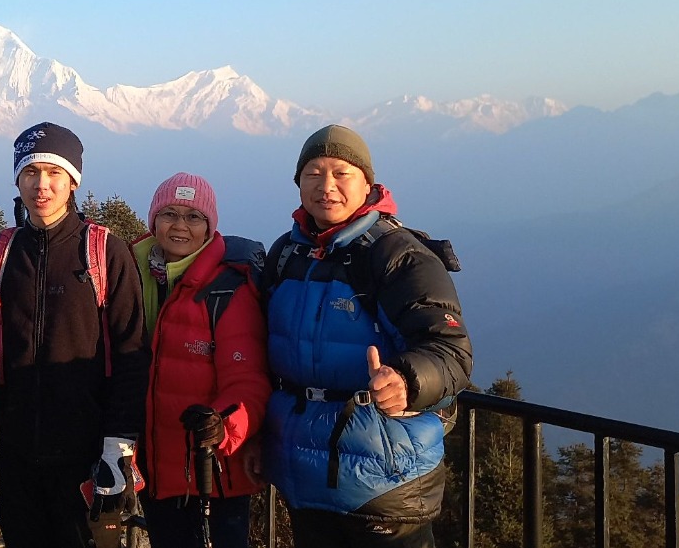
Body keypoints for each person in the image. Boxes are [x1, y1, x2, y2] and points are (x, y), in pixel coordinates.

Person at [260, 125, 472, 548]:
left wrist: (407, 382)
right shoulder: (289, 253)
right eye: (313, 174)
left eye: (342, 173)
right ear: (298, 182)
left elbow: (451, 351)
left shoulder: (397, 255)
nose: (327, 187)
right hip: (305, 477)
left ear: (367, 182)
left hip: (385, 482)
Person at [0, 121, 149, 548]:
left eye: (54, 173)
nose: (41, 185)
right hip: (17, 455)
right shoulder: (3, 252)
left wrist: (118, 445)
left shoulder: (104, 251)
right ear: (17, 180)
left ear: (73, 182)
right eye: (31, 173)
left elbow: (132, 352)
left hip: (87, 456)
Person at [130, 173, 270, 548]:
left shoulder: (227, 291)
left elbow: (248, 380)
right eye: (169, 213)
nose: (179, 226)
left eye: (193, 217)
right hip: (156, 472)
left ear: (210, 227)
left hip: (214, 473)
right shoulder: (130, 273)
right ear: (152, 220)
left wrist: (225, 425)